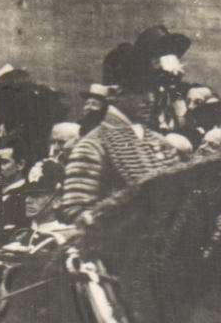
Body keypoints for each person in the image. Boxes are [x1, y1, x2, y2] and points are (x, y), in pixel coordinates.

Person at [56, 67, 186, 223]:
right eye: (139, 92)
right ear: (113, 94)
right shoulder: (93, 145)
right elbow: (76, 210)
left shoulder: (160, 142)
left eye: (153, 92)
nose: (150, 99)